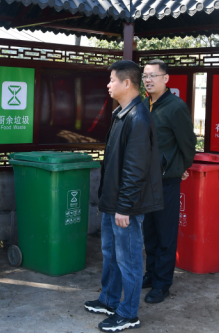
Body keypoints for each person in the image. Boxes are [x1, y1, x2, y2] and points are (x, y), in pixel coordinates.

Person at [84, 60, 164, 332]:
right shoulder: (123, 113)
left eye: (112, 80)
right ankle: (108, 300)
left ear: (127, 83)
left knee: (128, 259)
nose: (108, 85)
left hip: (125, 206)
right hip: (113, 203)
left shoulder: (138, 117)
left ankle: (128, 313)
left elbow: (135, 169)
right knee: (110, 254)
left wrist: (125, 208)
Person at [141, 59, 196, 304]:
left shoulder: (175, 107)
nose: (148, 80)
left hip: (166, 181)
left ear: (166, 78)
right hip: (145, 180)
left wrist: (180, 167)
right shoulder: (144, 105)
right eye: (145, 76)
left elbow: (187, 143)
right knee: (149, 231)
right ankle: (151, 274)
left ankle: (163, 284)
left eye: (153, 75)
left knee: (165, 233)